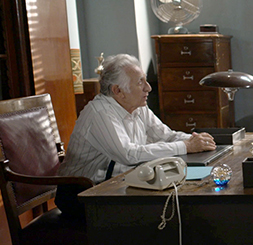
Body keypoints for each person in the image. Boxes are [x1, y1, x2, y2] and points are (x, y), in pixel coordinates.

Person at [55, 54, 216, 218]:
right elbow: (129, 154)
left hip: (117, 184)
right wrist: (186, 146)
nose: (148, 88)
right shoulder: (99, 113)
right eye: (140, 82)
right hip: (82, 194)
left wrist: (196, 140)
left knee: (180, 202)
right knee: (166, 211)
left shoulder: (138, 107)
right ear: (118, 91)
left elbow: (167, 136)